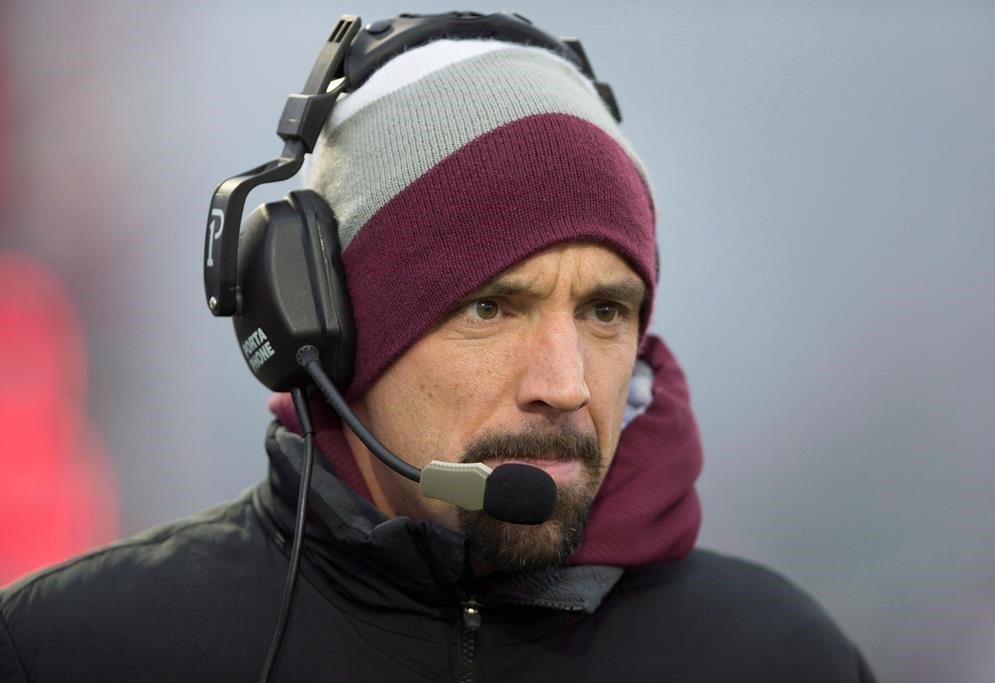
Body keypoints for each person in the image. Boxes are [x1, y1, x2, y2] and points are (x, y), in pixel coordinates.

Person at [0, 12, 876, 682]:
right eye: (492, 306)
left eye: (605, 311)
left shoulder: (785, 657)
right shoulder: (66, 650)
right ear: (331, 330)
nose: (566, 383)